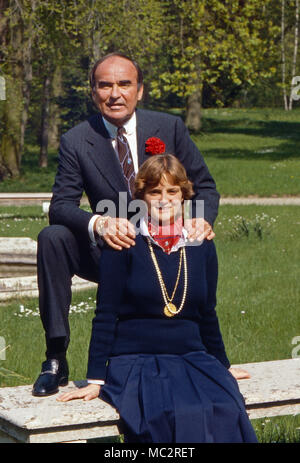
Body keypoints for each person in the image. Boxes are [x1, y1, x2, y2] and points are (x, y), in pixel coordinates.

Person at [32, 52, 221, 397]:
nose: (114, 93)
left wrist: (199, 221)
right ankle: (55, 357)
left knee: (201, 246)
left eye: (124, 84)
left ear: (140, 90)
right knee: (53, 237)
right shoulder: (77, 140)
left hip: (165, 258)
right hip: (111, 255)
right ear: (93, 92)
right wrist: (100, 223)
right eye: (104, 85)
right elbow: (60, 207)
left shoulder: (169, 128)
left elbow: (205, 187)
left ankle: (201, 349)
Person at [57, 154, 257, 443]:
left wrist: (222, 365)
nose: (164, 199)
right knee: (167, 414)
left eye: (172, 191)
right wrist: (96, 380)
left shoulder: (201, 245)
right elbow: (105, 314)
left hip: (192, 357)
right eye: (155, 192)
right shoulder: (123, 242)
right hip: (136, 361)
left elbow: (207, 312)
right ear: (142, 197)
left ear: (185, 195)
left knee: (223, 406)